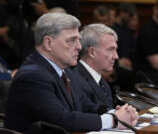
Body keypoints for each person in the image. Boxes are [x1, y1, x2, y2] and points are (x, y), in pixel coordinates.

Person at [4, 13, 138, 133]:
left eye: (78, 40)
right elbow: (63, 120)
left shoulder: (65, 71)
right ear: (48, 43)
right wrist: (113, 120)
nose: (79, 47)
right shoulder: (32, 76)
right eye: (71, 40)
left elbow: (86, 106)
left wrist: (117, 112)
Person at [74, 23, 118, 109]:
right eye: (110, 50)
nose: (116, 56)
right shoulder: (76, 81)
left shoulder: (102, 82)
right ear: (92, 52)